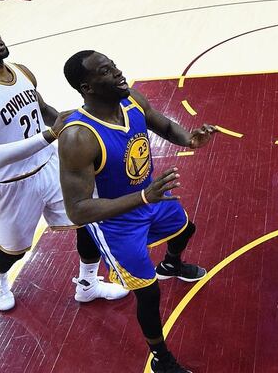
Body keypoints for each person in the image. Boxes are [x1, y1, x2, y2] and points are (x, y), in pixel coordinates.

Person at [0, 16, 127, 312]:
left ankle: (88, 284)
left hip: (50, 166)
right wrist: (50, 135)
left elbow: (43, 110)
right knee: (13, 250)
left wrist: (82, 128)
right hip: (10, 183)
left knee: (88, 221)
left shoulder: (20, 71)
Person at [59, 50, 215, 373]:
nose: (117, 72)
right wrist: (143, 196)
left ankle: (171, 263)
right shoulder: (78, 136)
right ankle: (161, 358)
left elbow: (165, 125)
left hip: (149, 198)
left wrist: (190, 139)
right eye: (105, 71)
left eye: (113, 64)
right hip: (114, 222)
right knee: (148, 293)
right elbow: (78, 210)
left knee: (186, 229)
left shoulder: (132, 99)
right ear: (87, 87)